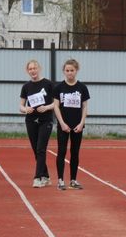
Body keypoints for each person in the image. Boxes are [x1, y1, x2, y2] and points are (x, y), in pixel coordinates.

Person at [53, 59, 90, 190]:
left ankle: (73, 180)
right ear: (64, 71)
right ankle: (60, 180)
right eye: (67, 70)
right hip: (63, 125)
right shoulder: (59, 87)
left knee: (75, 152)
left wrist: (81, 123)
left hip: (77, 126)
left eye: (72, 70)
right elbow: (56, 106)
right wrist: (62, 123)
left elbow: (85, 107)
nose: (69, 73)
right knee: (62, 151)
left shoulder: (82, 88)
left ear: (76, 70)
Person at [19, 60, 55, 188]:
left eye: (34, 68)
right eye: (30, 69)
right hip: (31, 121)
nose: (33, 71)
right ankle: (46, 176)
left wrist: (46, 107)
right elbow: (21, 106)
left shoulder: (48, 84)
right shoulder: (26, 86)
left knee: (41, 148)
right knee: (36, 150)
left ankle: (38, 177)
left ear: (39, 68)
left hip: (45, 120)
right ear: (27, 71)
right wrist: (25, 109)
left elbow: (57, 103)